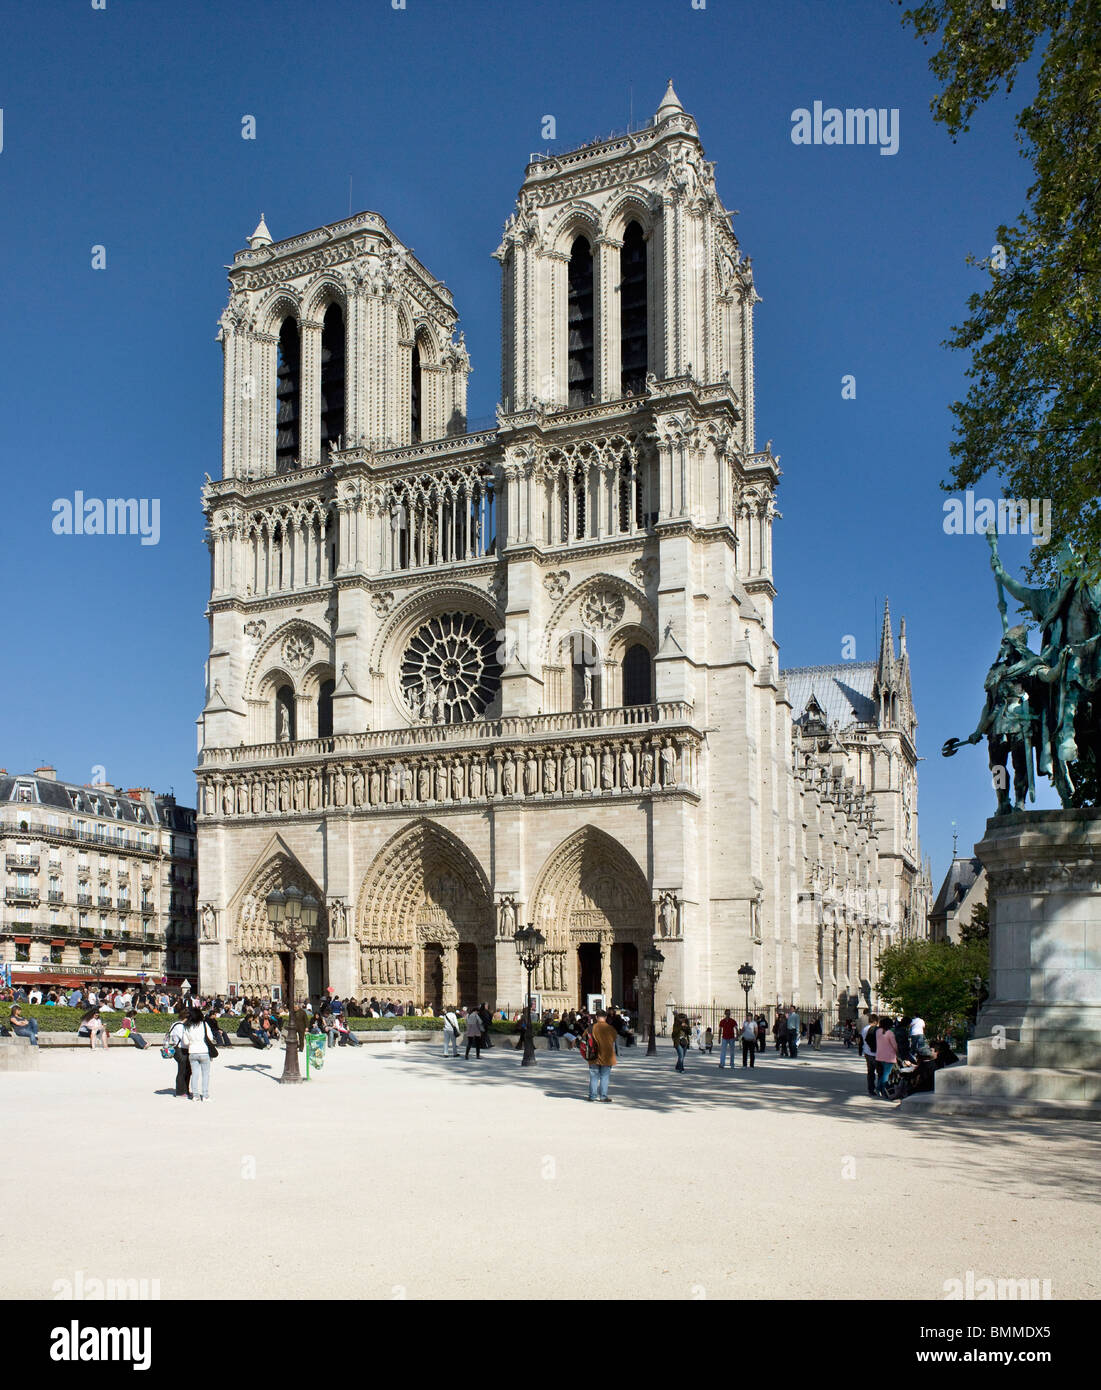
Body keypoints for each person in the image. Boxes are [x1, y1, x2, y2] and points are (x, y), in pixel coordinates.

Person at [184, 1005, 217, 1102]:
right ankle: (205, 1095)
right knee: (205, 1075)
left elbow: (185, 1042)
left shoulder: (187, 1026)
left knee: (195, 1074)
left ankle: (195, 1096)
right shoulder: (204, 1024)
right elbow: (210, 1038)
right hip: (204, 1051)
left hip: (193, 1052)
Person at [585, 1009, 618, 1102]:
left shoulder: (591, 1028)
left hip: (593, 1056)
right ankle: (603, 1096)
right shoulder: (610, 1028)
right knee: (605, 1076)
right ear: (606, 1017)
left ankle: (592, 1096)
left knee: (593, 1076)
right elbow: (614, 1038)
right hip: (607, 1056)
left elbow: (584, 1039)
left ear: (596, 1017)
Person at [874, 1014, 899, 1100]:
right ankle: (882, 1090)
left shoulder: (878, 1031)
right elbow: (894, 1045)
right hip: (889, 1056)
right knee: (886, 1074)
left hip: (879, 1055)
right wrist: (897, 1052)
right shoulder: (890, 1033)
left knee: (883, 1073)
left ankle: (879, 1088)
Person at [167, 1013, 191, 1098]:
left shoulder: (175, 1024)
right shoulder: (181, 1026)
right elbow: (184, 1039)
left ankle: (184, 1090)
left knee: (185, 1070)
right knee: (183, 1071)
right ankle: (181, 1092)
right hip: (181, 1050)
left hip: (177, 1049)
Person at [860, 1013, 879, 1096]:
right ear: (875, 1021)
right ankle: (879, 1088)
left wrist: (860, 1051)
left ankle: (871, 1088)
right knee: (880, 1071)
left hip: (867, 1051)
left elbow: (861, 1041)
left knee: (870, 1071)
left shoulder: (864, 1029)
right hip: (876, 1052)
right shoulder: (876, 1029)